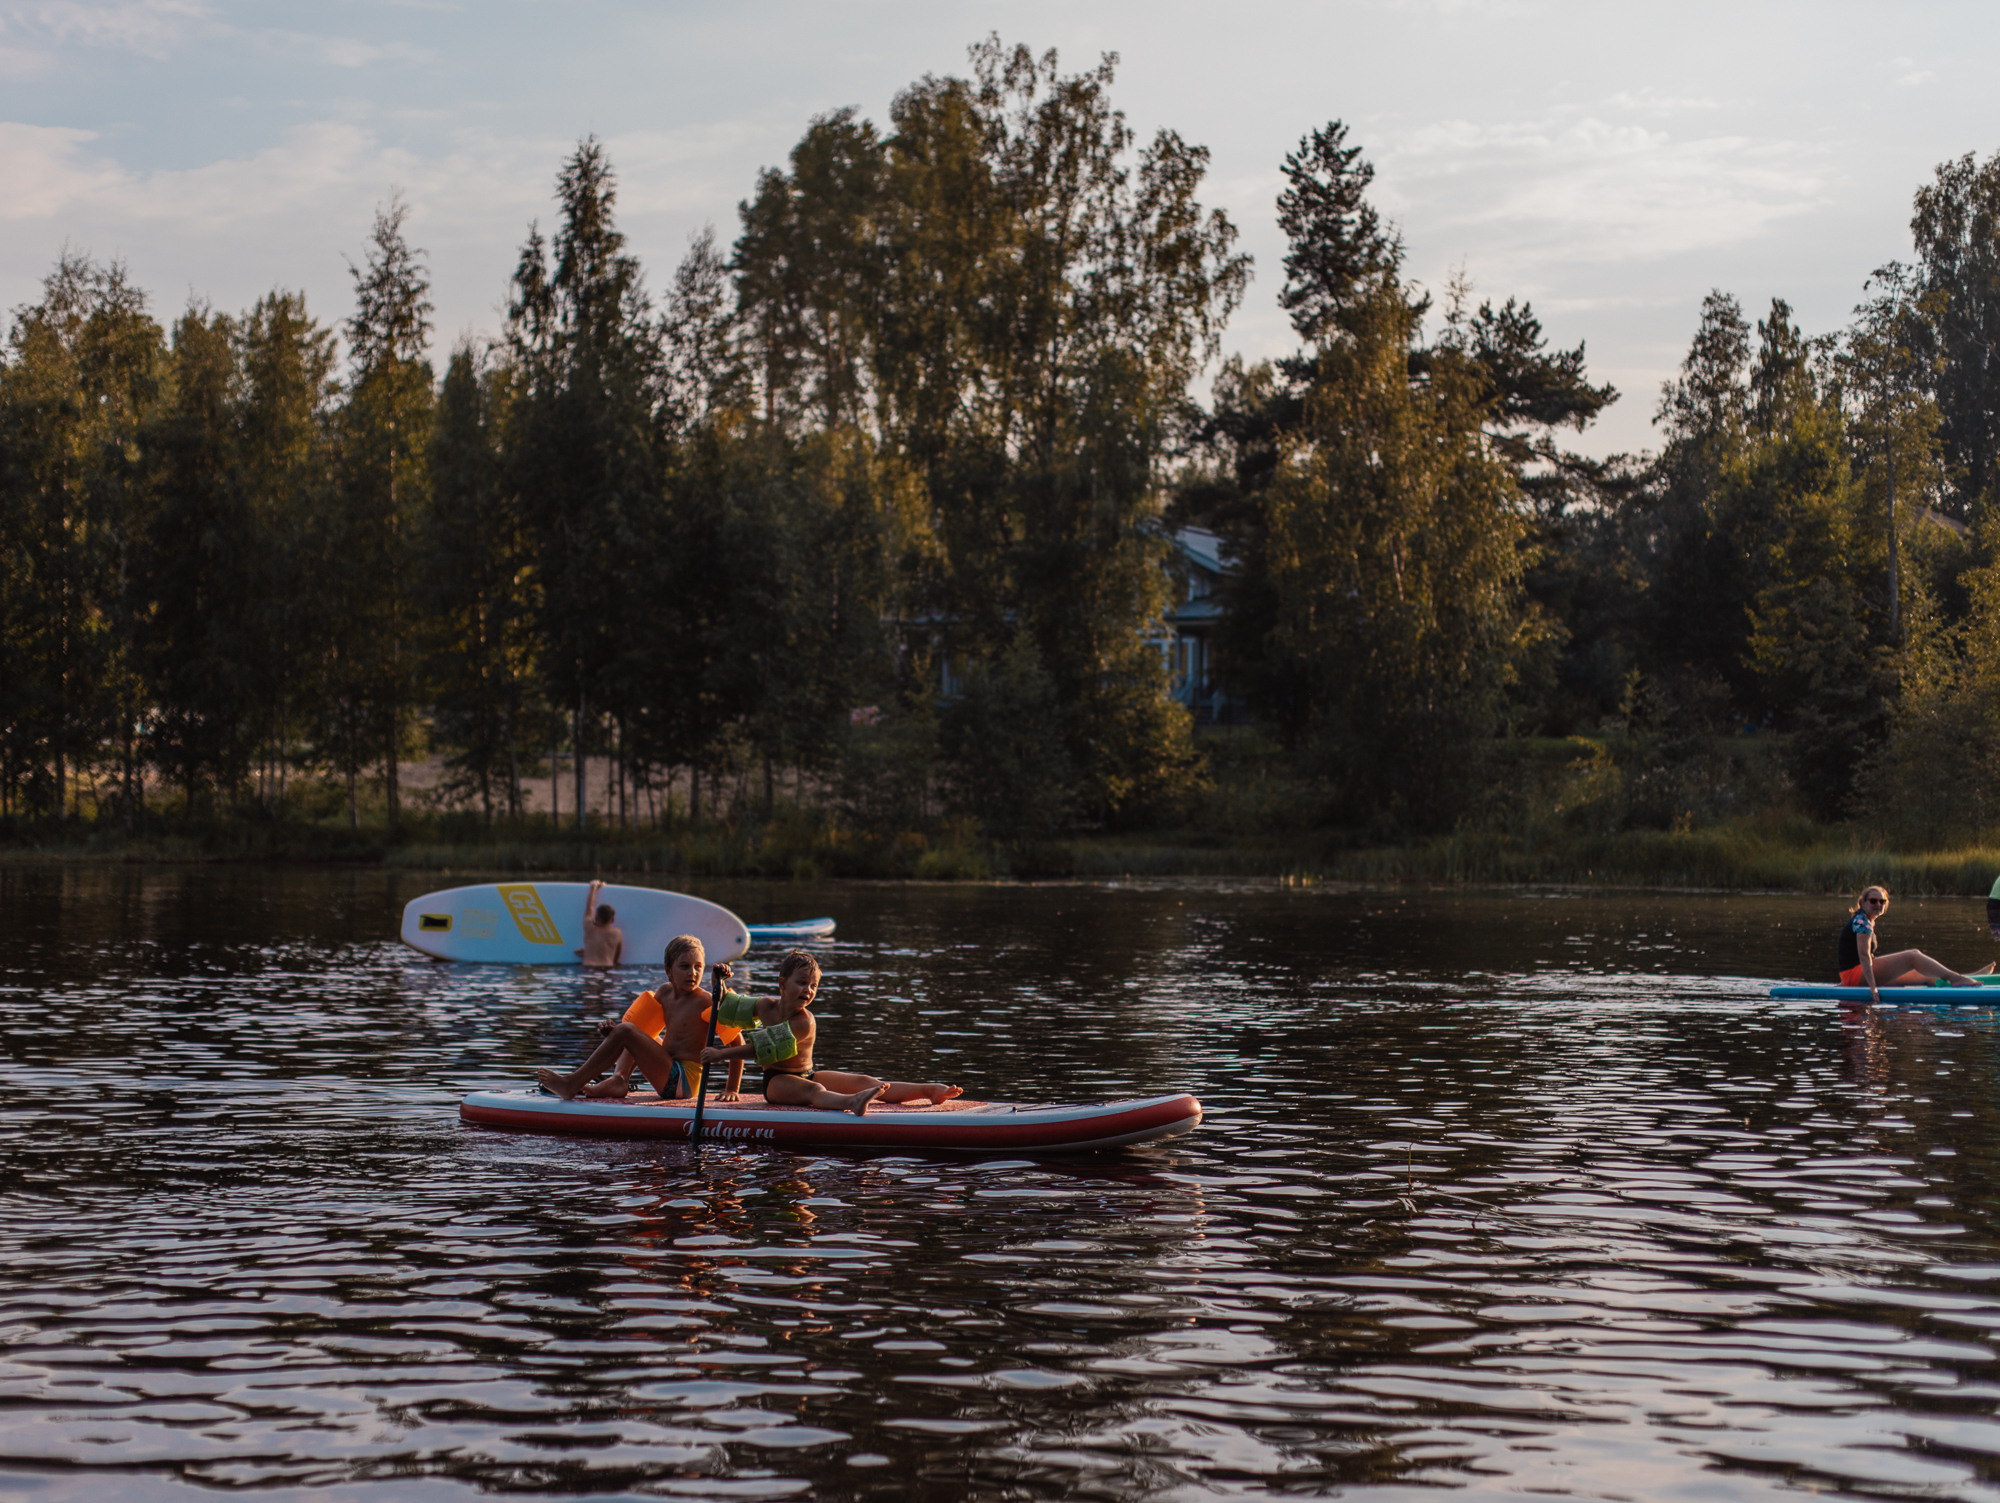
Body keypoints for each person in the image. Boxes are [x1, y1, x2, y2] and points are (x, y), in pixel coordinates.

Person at [701, 950, 961, 1115]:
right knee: (815, 1089)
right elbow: (725, 1007)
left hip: (806, 1072)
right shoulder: (764, 1005)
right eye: (802, 983)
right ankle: (852, 1102)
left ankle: (929, 1090)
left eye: (813, 986)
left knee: (863, 1079)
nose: (808, 990)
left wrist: (720, 1054)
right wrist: (718, 981)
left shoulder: (805, 1021)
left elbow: (763, 1046)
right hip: (777, 1082)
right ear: (782, 983)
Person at [537, 934, 744, 1102]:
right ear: (668, 970)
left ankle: (571, 1084)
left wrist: (732, 1089)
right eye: (684, 966)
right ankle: (619, 1079)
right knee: (632, 1028)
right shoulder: (664, 993)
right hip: (669, 1066)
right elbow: (640, 1032)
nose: (692, 972)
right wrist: (615, 1036)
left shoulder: (707, 1001)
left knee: (627, 1030)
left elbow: (737, 1042)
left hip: (684, 1083)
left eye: (698, 966)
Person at [1839, 885, 1988, 1006]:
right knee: (1913, 956)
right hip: (1856, 976)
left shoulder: (1865, 919)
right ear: (1862, 903)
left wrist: (1845, 983)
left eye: (1882, 901)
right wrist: (1873, 988)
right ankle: (1957, 978)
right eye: (1873, 901)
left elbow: (1853, 955)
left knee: (1922, 974)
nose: (1878, 904)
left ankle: (1966, 980)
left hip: (1855, 976)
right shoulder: (1862, 922)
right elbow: (1863, 956)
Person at [578, 880, 623, 968]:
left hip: (588, 967)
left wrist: (593, 888)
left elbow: (589, 907)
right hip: (607, 968)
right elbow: (616, 957)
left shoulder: (589, 927)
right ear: (613, 919)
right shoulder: (617, 933)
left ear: (596, 918)